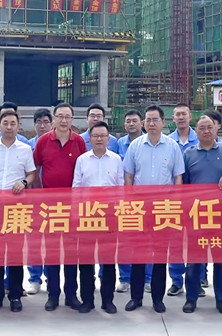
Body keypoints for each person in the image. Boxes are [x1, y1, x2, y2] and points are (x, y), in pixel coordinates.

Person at [123, 104, 185, 313]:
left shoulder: (172, 146)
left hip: (163, 209)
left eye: (155, 120)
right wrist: (129, 203)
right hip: (139, 209)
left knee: (160, 257)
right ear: (143, 123)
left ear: (163, 122)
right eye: (148, 120)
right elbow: (129, 176)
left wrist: (175, 204)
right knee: (138, 256)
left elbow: (178, 177)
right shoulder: (135, 146)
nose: (151, 124)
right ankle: (136, 298)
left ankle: (158, 299)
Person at [0, 109, 36, 314]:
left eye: (13, 123)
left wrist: (24, 183)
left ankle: (15, 295)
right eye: (6, 123)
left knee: (15, 254)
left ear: (18, 126)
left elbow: (31, 174)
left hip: (17, 209)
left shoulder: (25, 149)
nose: (9, 127)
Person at [182, 114, 222, 315]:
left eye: (209, 127)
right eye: (202, 128)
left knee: (221, 262)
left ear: (216, 129)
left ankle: (221, 300)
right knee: (194, 262)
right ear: (196, 132)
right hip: (197, 217)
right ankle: (191, 299)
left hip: (221, 218)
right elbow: (183, 186)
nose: (206, 131)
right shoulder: (188, 154)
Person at [33, 102, 87, 311]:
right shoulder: (43, 141)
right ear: (54, 119)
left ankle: (71, 295)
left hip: (74, 206)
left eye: (67, 117)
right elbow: (35, 169)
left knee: (72, 252)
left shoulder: (79, 141)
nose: (63, 120)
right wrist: (40, 193)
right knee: (52, 252)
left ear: (72, 120)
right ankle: (53, 294)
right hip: (50, 207)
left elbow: (84, 170)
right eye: (60, 116)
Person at [73, 120, 123, 314]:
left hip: (109, 217)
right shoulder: (82, 160)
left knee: (108, 261)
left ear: (108, 139)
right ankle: (87, 300)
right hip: (87, 216)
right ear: (90, 139)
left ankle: (108, 301)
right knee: (85, 261)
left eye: (103, 136)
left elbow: (120, 188)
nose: (99, 139)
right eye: (95, 136)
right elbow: (76, 188)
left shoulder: (116, 159)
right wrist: (77, 213)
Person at [166, 103, 198, 297]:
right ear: (173, 119)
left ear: (190, 116)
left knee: (197, 241)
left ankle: (198, 279)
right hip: (174, 201)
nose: (180, 117)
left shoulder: (201, 138)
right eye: (177, 114)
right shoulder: (168, 142)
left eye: (183, 114)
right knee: (175, 242)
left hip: (197, 202)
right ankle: (177, 280)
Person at [115, 108, 144, 293]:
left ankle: (146, 279)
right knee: (124, 242)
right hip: (124, 200)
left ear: (142, 123)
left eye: (135, 121)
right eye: (128, 121)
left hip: (144, 200)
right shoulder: (119, 143)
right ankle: (125, 278)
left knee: (146, 242)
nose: (131, 124)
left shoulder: (149, 142)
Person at [25, 107, 52, 295]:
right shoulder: (27, 147)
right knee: (34, 241)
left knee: (50, 242)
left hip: (52, 201)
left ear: (51, 124)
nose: (42, 126)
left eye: (46, 122)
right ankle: (34, 279)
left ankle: (51, 277)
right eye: (39, 122)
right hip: (32, 201)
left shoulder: (55, 143)